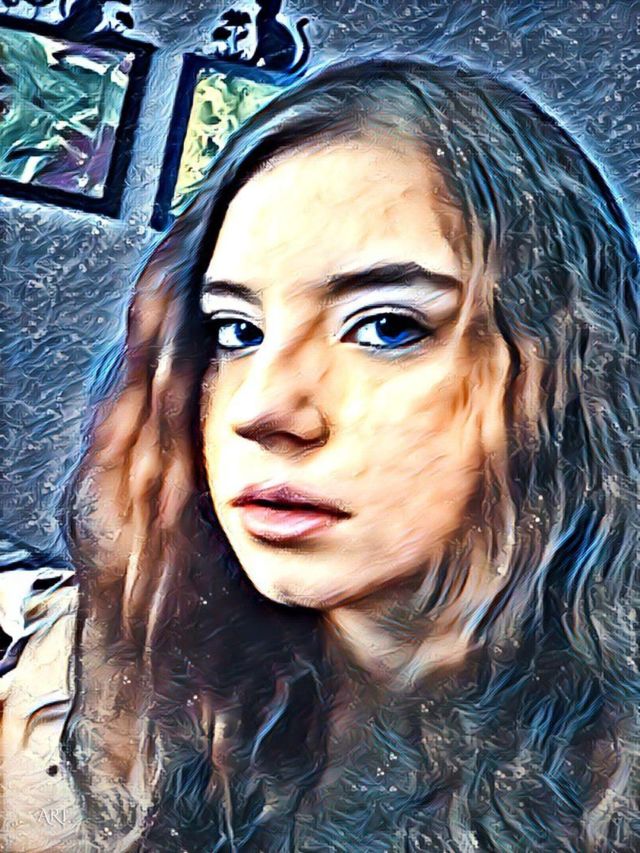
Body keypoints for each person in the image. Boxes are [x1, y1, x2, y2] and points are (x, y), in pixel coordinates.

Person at [0, 57, 637, 852]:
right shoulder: (93, 678)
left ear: (564, 377)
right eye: (237, 331)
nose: (263, 410)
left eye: (388, 327)